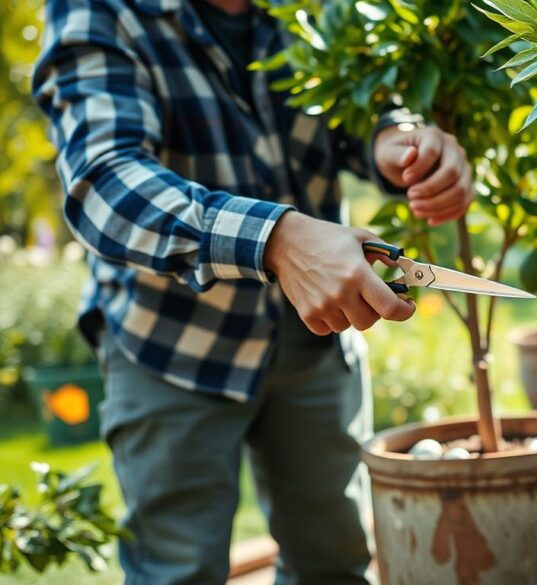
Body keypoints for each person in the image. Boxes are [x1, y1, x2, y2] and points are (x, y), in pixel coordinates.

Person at [32, 0, 474, 582]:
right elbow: (104, 182)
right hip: (172, 343)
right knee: (178, 570)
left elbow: (358, 105)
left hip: (314, 334)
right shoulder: (102, 12)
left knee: (334, 563)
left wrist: (399, 137)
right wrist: (277, 239)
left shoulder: (309, 9)